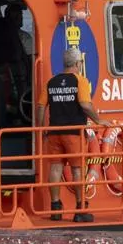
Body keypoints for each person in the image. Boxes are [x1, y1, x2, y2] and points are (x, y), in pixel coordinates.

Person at [43, 47, 96, 221]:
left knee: (56, 168)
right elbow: (85, 105)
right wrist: (99, 120)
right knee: (77, 169)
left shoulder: (51, 82)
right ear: (78, 63)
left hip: (54, 132)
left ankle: (55, 208)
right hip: (74, 133)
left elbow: (40, 106)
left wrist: (41, 127)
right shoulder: (80, 81)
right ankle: (80, 209)